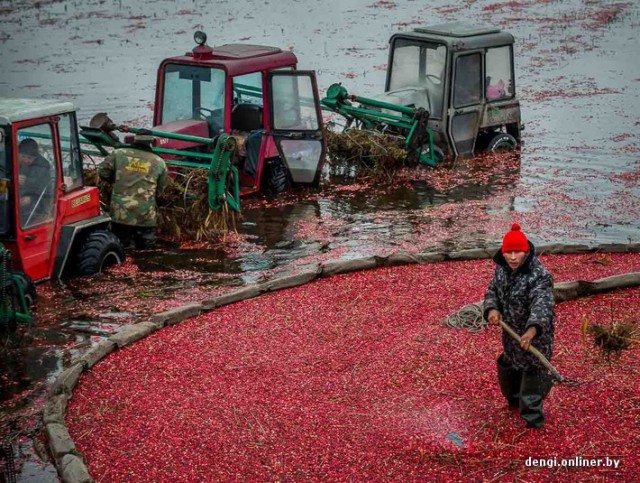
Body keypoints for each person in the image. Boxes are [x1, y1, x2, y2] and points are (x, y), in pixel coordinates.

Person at [483, 223, 555, 428]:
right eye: (509, 252)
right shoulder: (502, 269)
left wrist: (531, 331)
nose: (513, 257)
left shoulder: (539, 275)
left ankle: (533, 420)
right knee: (510, 367)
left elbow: (542, 306)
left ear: (526, 251)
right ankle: (514, 403)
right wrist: (492, 309)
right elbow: (492, 291)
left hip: (535, 338)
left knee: (532, 374)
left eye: (518, 252)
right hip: (511, 334)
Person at [98, 135, 168, 250]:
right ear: (151, 143)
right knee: (146, 250)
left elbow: (102, 172)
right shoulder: (159, 162)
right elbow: (161, 189)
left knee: (120, 246)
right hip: (145, 213)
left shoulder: (118, 154)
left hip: (120, 211)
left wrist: (116, 182)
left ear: (135, 141)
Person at [18, 138, 52, 224]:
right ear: (17, 154)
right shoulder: (6, 159)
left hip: (30, 209)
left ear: (36, 158)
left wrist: (31, 199)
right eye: (23, 156)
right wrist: (14, 178)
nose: (26, 160)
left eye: (30, 158)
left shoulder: (42, 167)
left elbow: (47, 193)